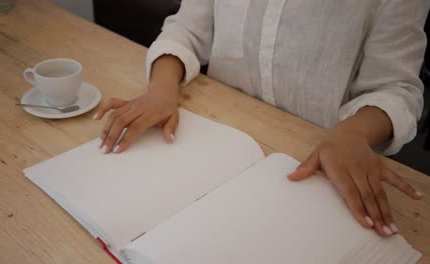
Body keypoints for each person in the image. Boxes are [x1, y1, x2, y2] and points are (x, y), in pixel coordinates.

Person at [93, 0, 429, 237]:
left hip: (319, 160)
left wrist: (355, 133)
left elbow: (395, 87)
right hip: (213, 137)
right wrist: (161, 87)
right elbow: (186, 30)